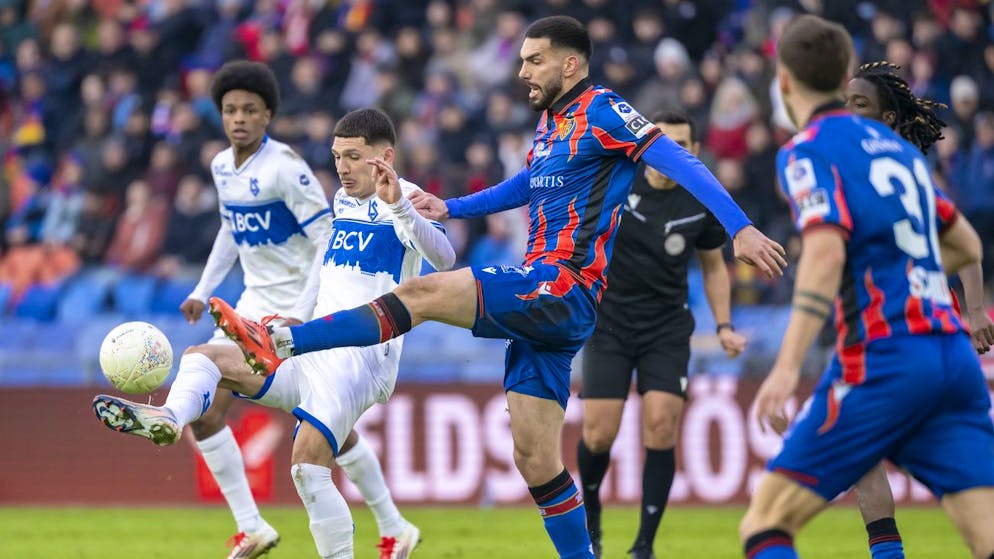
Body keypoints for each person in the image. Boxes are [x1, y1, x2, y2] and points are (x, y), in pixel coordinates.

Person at [210, 17, 785, 559]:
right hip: (548, 307)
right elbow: (528, 184)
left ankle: (285, 343)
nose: (522, 72)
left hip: (560, 284)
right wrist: (451, 206)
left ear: (569, 64)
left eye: (534, 60)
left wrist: (740, 227)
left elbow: (677, 158)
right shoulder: (553, 124)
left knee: (425, 294)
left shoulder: (605, 111)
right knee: (534, 459)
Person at [92, 64, 418, 559]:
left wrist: (308, 314)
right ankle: (240, 507)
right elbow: (230, 228)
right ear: (220, 116)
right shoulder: (224, 166)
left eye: (249, 109)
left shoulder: (288, 169)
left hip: (300, 312)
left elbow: (327, 238)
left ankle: (387, 524)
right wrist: (204, 288)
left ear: (268, 115)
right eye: (229, 110)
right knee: (217, 407)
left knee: (318, 436)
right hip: (252, 302)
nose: (239, 119)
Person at [740, 15, 994, 559]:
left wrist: (785, 369)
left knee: (765, 525)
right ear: (841, 77)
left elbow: (825, 256)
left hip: (883, 355)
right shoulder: (899, 152)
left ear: (783, 81)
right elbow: (967, 245)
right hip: (949, 353)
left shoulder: (807, 150)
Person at [838, 60, 994, 559]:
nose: (847, 113)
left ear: (885, 118)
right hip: (899, 323)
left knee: (862, 449)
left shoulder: (892, 167)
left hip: (909, 323)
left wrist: (974, 312)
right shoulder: (881, 162)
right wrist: (972, 313)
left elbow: (960, 238)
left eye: (858, 104)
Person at [576, 109, 746, 559]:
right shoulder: (618, 181)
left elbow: (713, 268)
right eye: (661, 142)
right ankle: (590, 521)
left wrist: (724, 325)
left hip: (666, 327)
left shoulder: (700, 198)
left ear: (693, 151)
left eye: (681, 144)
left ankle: (644, 547)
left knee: (661, 426)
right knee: (597, 435)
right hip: (608, 323)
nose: (669, 152)